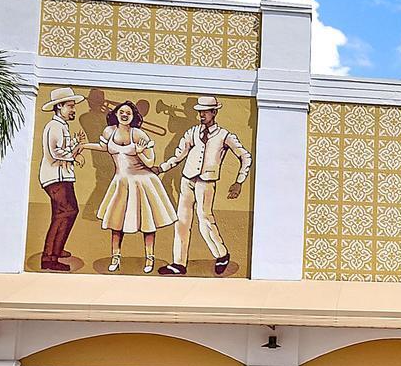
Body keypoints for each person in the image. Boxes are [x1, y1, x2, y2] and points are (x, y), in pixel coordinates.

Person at [158, 95, 253, 276]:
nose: (201, 115)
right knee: (182, 221)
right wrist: (162, 168)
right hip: (187, 180)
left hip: (206, 182)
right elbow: (179, 154)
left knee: (204, 220)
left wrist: (239, 181)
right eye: (200, 112)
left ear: (214, 112)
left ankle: (222, 255)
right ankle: (178, 263)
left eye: (205, 112)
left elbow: (245, 156)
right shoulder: (192, 132)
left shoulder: (225, 135)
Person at [91, 100, 177, 273]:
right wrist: (81, 146)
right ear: (115, 114)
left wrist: (139, 153)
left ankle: (149, 257)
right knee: (116, 223)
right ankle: (115, 256)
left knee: (147, 223)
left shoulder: (139, 135)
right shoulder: (109, 131)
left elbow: (150, 161)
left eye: (128, 113)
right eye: (121, 112)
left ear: (133, 117)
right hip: (121, 181)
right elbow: (103, 147)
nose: (124, 115)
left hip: (142, 181)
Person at [35, 87, 87, 271]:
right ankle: (49, 258)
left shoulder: (61, 125)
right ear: (59, 107)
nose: (73, 110)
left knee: (64, 213)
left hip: (62, 176)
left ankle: (56, 248)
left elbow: (63, 147)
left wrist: (76, 144)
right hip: (55, 177)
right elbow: (55, 152)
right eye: (70, 106)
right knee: (66, 212)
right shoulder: (54, 126)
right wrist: (75, 154)